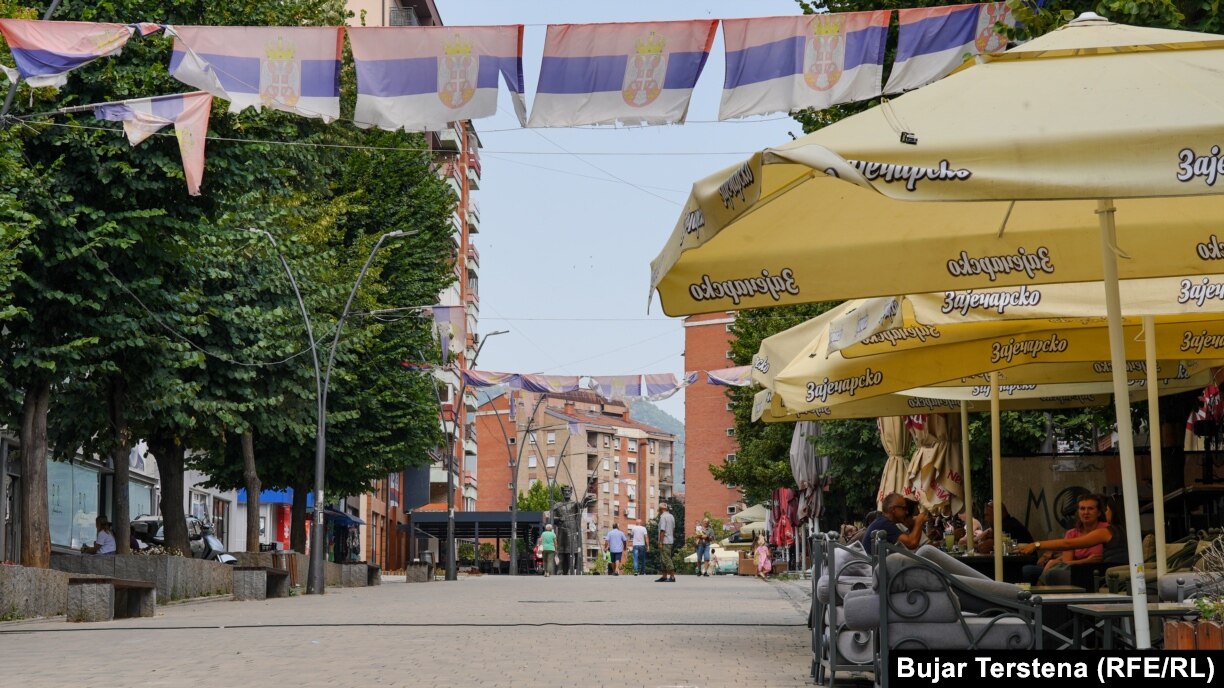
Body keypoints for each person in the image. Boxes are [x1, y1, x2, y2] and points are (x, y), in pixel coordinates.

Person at [1016, 493, 1122, 585]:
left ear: (1099, 512)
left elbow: (1068, 544)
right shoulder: (1072, 532)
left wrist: (1037, 545)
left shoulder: (1107, 529)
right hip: (1079, 569)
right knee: (1034, 570)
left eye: (1090, 508)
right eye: (1082, 508)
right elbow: (1067, 558)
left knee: (1052, 571)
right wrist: (1085, 561)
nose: (1086, 512)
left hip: (1099, 571)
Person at [862, 493, 927, 554]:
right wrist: (919, 521)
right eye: (904, 508)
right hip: (877, 565)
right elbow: (911, 543)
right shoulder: (885, 524)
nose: (907, 512)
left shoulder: (882, 521)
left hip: (875, 563)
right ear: (893, 509)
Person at [656, 502, 676, 582]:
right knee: (663, 559)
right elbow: (673, 529)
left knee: (666, 559)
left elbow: (662, 530)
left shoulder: (663, 517)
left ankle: (672, 576)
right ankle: (664, 576)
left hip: (665, 541)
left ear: (661, 509)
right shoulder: (671, 516)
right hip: (670, 540)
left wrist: (660, 542)